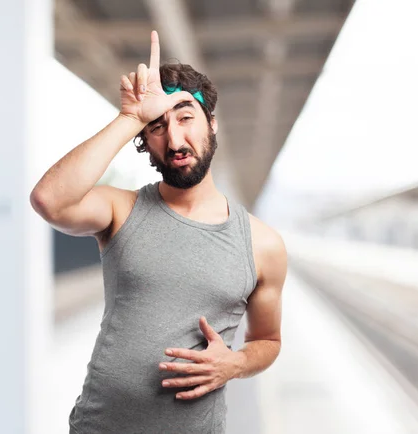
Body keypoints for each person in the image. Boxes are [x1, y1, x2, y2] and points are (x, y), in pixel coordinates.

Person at [30, 30, 287, 434]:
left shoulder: (263, 244)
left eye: (186, 117)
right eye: (157, 126)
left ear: (212, 124)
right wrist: (130, 116)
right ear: (145, 143)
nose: (175, 139)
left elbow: (268, 341)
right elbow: (50, 200)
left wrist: (234, 364)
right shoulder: (121, 209)